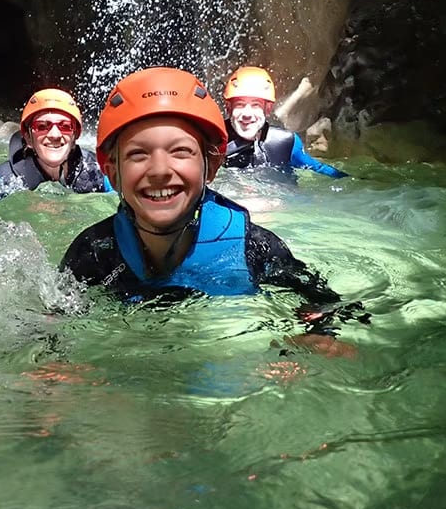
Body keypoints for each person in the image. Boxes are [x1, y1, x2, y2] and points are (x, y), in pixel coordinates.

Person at [60, 67, 367, 330]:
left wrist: (316, 336)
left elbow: (326, 306)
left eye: (181, 151)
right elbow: (53, 322)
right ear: (112, 173)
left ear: (212, 166)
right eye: (138, 154)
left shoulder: (253, 248)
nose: (159, 170)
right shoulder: (94, 253)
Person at [222, 66, 347, 178]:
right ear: (228, 108)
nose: (247, 114)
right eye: (240, 105)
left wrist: (352, 181)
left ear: (268, 109)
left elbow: (318, 168)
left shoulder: (284, 143)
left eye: (255, 105)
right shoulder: (213, 141)